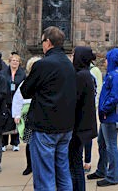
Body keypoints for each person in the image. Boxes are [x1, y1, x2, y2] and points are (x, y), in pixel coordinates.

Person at [20, 26, 76, 191]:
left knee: (45, 176)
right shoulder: (68, 64)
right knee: (63, 172)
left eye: (42, 41)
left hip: (45, 128)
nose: (41, 44)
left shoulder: (43, 64)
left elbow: (25, 91)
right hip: (65, 128)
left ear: (48, 42)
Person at [87, 48, 118, 187]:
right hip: (106, 116)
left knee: (111, 146)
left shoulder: (115, 75)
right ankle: (102, 170)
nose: (106, 61)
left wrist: (103, 109)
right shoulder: (112, 73)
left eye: (108, 58)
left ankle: (112, 176)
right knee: (102, 143)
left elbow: (114, 96)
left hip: (110, 116)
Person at [69, 47, 97, 191]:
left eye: (74, 54)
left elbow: (75, 101)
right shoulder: (85, 74)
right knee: (76, 163)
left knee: (75, 165)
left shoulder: (81, 76)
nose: (71, 57)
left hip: (79, 128)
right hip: (83, 126)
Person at [12, 56, 42, 176]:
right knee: (30, 142)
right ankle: (30, 166)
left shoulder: (47, 81)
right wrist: (16, 114)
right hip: (29, 114)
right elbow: (18, 98)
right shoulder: (27, 82)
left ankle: (39, 166)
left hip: (42, 115)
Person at [2, 53, 25, 151]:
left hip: (17, 100)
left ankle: (15, 143)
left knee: (16, 120)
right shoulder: (3, 73)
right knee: (5, 121)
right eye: (13, 60)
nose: (15, 62)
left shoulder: (22, 74)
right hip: (6, 100)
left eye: (17, 61)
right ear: (9, 62)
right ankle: (4, 143)